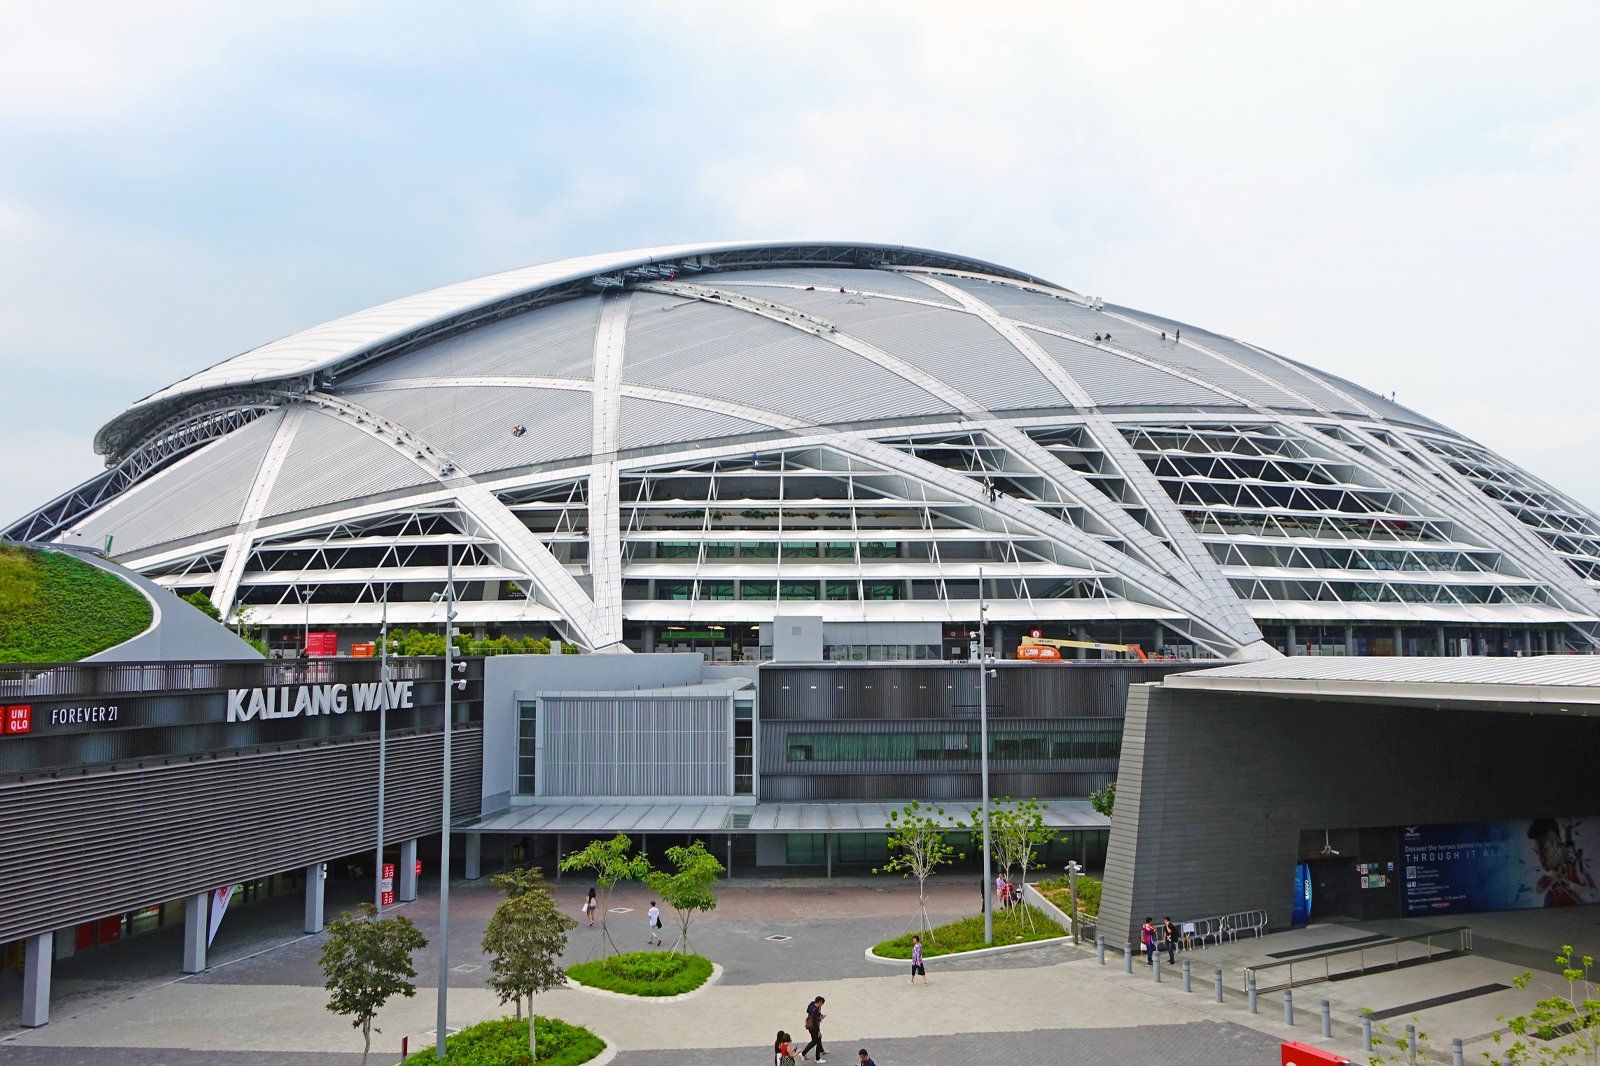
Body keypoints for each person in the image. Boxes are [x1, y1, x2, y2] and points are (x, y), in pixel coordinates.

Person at [802, 995, 826, 1062]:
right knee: (816, 1041)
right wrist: (818, 1031)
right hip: (814, 1027)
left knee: (818, 1039)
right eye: (822, 1003)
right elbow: (815, 1022)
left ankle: (821, 1051)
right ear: (820, 1002)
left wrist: (818, 1015)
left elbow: (808, 1011)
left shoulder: (811, 1004)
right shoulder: (815, 1009)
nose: (821, 1005)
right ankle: (817, 1058)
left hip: (810, 1026)